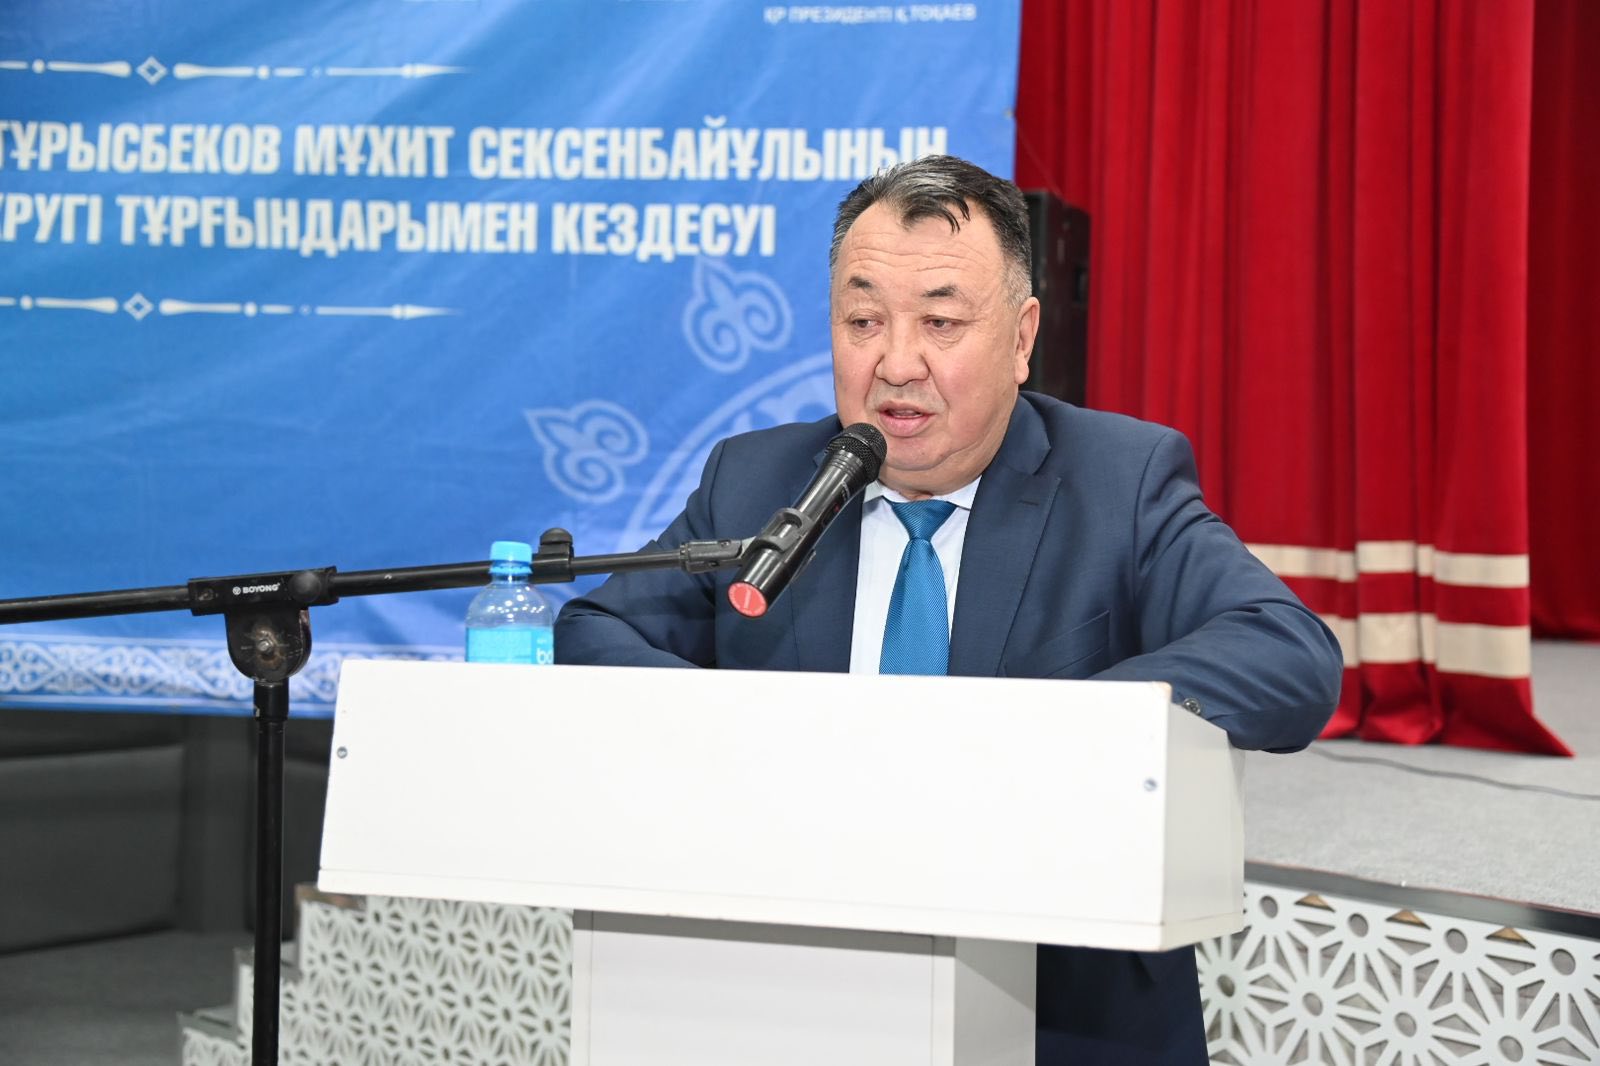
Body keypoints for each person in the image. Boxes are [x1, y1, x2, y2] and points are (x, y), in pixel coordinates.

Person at [556, 154, 1344, 1064]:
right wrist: (753, 734)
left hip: (1049, 1002)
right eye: (863, 322)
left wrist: (1042, 731)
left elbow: (1286, 653)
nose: (896, 363)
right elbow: (596, 629)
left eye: (940, 322)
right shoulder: (759, 480)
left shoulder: (1118, 481)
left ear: (1021, 337)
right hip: (792, 986)